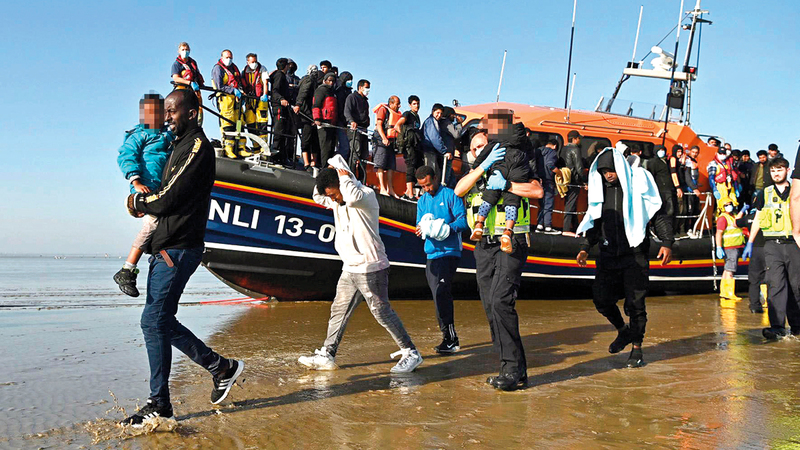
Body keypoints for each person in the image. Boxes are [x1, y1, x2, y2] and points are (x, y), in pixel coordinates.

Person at [120, 89, 244, 427]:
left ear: (192, 113)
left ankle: (160, 403)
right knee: (160, 320)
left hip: (179, 246)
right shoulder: (176, 146)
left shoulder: (196, 147)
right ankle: (221, 367)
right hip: (165, 247)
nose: (168, 117)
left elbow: (168, 198)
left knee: (153, 321)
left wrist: (136, 203)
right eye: (166, 112)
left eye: (173, 111)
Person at [298, 159, 423, 373]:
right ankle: (327, 354)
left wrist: (343, 173)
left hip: (371, 267)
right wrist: (329, 169)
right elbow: (317, 196)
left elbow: (351, 195)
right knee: (339, 310)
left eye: (334, 194)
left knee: (381, 311)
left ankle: (411, 352)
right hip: (350, 267)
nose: (333, 199)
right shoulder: (336, 200)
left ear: (342, 183)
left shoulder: (364, 195)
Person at [454, 130, 543, 391]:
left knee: (500, 301)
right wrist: (483, 166)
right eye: (475, 148)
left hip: (510, 242)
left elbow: (536, 191)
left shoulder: (516, 166)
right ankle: (515, 368)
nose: (480, 148)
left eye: (485, 144)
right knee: (490, 306)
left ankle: (512, 371)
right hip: (483, 246)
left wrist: (505, 185)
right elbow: (459, 190)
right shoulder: (475, 175)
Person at [575, 144, 673, 368]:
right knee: (601, 299)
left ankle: (637, 348)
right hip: (608, 254)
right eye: (603, 171)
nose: (608, 175)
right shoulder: (601, 192)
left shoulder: (637, 187)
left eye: (611, 170)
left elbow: (656, 215)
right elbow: (594, 221)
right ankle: (623, 331)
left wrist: (667, 242)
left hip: (634, 254)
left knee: (636, 305)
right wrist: (585, 247)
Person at [113, 93, 174, 297]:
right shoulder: (139, 135)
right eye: (148, 113)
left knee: (161, 224)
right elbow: (126, 156)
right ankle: (127, 269)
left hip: (161, 190)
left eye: (158, 112)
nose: (153, 116)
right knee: (152, 224)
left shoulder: (167, 134)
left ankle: (154, 260)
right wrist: (135, 181)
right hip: (143, 187)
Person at [743, 157, 800, 340]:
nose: (776, 173)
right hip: (772, 245)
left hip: (793, 244)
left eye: (780, 170)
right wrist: (750, 242)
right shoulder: (764, 193)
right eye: (773, 170)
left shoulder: (796, 191)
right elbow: (758, 218)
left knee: (796, 287)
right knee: (775, 285)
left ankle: (797, 325)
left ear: (788, 170)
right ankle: (777, 327)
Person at [414, 165, 468, 353]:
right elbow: (418, 226)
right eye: (423, 186)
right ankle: (447, 337)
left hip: (449, 252)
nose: (427, 189)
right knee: (437, 296)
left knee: (442, 292)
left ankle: (452, 338)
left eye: (429, 184)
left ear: (435, 178)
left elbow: (463, 221)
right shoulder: (422, 201)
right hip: (431, 254)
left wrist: (446, 229)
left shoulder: (451, 195)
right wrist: (422, 230)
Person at [468, 110, 531, 254]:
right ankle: (508, 232)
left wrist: (476, 166)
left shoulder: (497, 139)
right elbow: (530, 156)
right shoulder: (524, 140)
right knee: (513, 202)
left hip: (500, 168)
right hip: (518, 171)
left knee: (489, 197)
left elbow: (484, 154)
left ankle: (479, 224)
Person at [211, 49, 245, 159]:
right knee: (228, 124)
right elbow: (219, 85)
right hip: (225, 100)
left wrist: (240, 91)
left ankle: (241, 148)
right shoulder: (218, 68)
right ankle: (228, 149)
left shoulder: (234, 68)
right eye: (227, 57)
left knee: (240, 123)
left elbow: (238, 81)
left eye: (230, 57)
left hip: (236, 100)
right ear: (222, 57)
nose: (229, 59)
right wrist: (233, 90)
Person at [715, 198, 745, 300]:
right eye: (726, 205)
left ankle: (724, 292)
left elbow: (736, 222)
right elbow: (719, 233)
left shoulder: (731, 216)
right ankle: (729, 292)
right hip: (730, 247)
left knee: (727, 269)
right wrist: (718, 247)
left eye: (730, 204)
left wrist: (742, 211)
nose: (729, 206)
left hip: (735, 246)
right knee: (730, 270)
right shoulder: (723, 218)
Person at [394, 95, 423, 199]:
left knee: (417, 166)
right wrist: (404, 137)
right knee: (410, 167)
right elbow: (397, 125)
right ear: (410, 105)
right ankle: (410, 192)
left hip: (416, 145)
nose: (417, 106)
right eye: (414, 104)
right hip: (409, 145)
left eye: (418, 103)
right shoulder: (408, 114)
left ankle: (409, 192)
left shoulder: (417, 116)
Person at [372, 95, 402, 197]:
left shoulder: (397, 113)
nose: (399, 106)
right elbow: (379, 125)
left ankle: (390, 189)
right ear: (391, 103)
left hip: (391, 140)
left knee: (391, 165)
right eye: (397, 104)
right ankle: (382, 188)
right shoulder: (383, 110)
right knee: (380, 163)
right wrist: (384, 138)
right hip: (381, 138)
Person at [739, 206, 767, 313]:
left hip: (754, 249)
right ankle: (771, 303)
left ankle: (754, 306)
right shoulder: (767, 216)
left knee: (754, 280)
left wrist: (741, 211)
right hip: (768, 248)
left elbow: (735, 223)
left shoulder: (748, 218)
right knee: (773, 279)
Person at [241, 53, 270, 155]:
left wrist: (265, 94)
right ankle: (256, 147)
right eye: (252, 62)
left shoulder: (262, 69)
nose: (254, 64)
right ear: (247, 62)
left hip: (261, 100)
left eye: (255, 61)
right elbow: (241, 84)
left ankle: (264, 148)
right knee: (250, 124)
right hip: (249, 101)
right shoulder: (244, 72)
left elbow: (265, 82)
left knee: (262, 124)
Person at [294, 64, 321, 172]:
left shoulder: (308, 80)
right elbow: (303, 93)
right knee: (307, 138)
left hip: (310, 114)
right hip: (307, 114)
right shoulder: (309, 81)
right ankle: (307, 163)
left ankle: (312, 162)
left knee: (312, 139)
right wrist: (298, 104)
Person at [170, 42, 204, 126]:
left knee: (198, 110)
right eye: (183, 50)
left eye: (187, 50)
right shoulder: (176, 64)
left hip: (195, 91)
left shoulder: (193, 63)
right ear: (179, 51)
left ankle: (198, 126)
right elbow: (175, 78)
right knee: (184, 111)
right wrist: (189, 82)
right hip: (182, 91)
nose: (185, 51)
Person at [559, 130, 585, 236]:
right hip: (574, 180)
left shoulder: (563, 149)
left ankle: (576, 227)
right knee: (570, 204)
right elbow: (579, 167)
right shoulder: (575, 149)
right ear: (574, 139)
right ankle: (566, 230)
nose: (579, 140)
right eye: (579, 138)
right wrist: (584, 180)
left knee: (570, 204)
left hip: (565, 179)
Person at [269, 58, 295, 166]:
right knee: (279, 131)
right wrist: (281, 99)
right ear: (286, 66)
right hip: (279, 106)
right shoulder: (279, 75)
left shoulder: (280, 75)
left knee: (283, 131)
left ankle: (282, 156)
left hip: (284, 107)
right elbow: (275, 90)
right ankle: (275, 155)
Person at [344, 79, 371, 176]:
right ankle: (351, 176)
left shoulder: (365, 101)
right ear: (360, 87)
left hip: (364, 130)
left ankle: (361, 179)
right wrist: (352, 121)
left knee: (364, 155)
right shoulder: (352, 97)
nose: (368, 90)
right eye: (366, 88)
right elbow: (347, 111)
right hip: (355, 129)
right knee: (355, 153)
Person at [534, 139, 560, 234]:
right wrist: (559, 173)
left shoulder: (538, 150)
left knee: (542, 204)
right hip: (548, 180)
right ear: (555, 146)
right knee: (548, 203)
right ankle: (548, 226)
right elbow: (550, 165)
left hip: (538, 180)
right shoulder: (552, 152)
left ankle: (539, 225)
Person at [312, 73, 339, 165]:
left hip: (332, 123)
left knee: (331, 147)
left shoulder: (334, 92)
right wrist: (317, 118)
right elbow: (316, 105)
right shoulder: (321, 90)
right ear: (325, 80)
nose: (331, 83)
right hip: (323, 122)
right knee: (325, 147)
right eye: (329, 80)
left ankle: (328, 167)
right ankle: (323, 167)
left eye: (333, 81)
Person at [422, 103, 450, 184]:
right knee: (430, 174)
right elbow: (434, 138)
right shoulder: (430, 122)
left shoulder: (434, 122)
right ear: (432, 111)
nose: (439, 115)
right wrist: (444, 151)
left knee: (435, 174)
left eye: (441, 113)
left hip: (432, 151)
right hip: (429, 151)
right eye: (437, 113)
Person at [707, 147, 740, 213]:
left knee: (734, 203)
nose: (722, 155)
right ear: (717, 153)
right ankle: (720, 220)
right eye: (720, 153)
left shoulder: (729, 163)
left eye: (723, 153)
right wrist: (714, 189)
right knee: (722, 205)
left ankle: (733, 220)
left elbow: (733, 176)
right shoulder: (713, 164)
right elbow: (711, 178)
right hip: (720, 187)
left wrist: (736, 188)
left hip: (731, 186)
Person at [334, 71, 354, 158]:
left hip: (344, 121)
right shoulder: (339, 91)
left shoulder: (348, 92)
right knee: (344, 145)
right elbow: (340, 107)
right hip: (340, 120)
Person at [683, 145, 702, 236]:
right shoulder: (687, 161)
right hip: (689, 190)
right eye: (693, 152)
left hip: (694, 189)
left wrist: (697, 185)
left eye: (696, 152)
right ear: (690, 151)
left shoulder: (695, 161)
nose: (694, 154)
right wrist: (694, 188)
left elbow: (694, 177)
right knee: (689, 210)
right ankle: (688, 229)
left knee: (696, 210)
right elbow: (687, 177)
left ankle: (694, 227)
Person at [668, 145, 686, 234]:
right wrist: (678, 187)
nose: (680, 153)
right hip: (676, 188)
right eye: (678, 151)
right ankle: (676, 230)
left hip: (680, 186)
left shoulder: (678, 161)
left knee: (682, 209)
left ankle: (679, 229)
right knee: (679, 209)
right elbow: (673, 173)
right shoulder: (673, 159)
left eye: (681, 152)